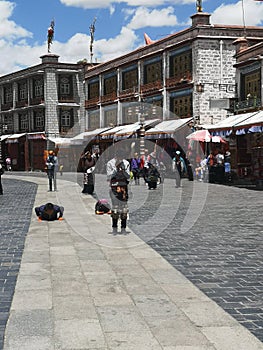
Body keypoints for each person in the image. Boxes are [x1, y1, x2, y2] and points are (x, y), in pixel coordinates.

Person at [107, 152, 130, 234]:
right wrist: (116, 169)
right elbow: (109, 176)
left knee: (124, 208)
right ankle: (114, 227)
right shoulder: (110, 163)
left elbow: (128, 176)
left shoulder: (126, 163)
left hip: (123, 187)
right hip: (114, 187)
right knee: (115, 208)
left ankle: (123, 227)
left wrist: (123, 170)